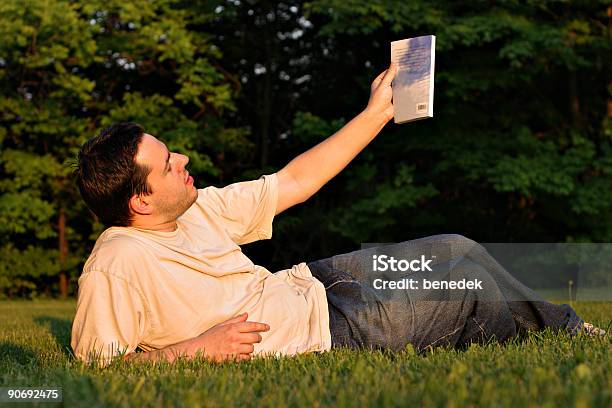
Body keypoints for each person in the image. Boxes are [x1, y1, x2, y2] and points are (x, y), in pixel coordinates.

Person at [71, 63, 604, 365]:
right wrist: (193, 349)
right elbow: (99, 365)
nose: (183, 160)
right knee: (463, 287)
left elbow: (296, 181)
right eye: (167, 164)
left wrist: (376, 114)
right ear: (139, 200)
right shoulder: (118, 262)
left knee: (457, 250)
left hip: (322, 283)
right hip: (328, 333)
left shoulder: (195, 207)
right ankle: (506, 345)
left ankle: (568, 330)